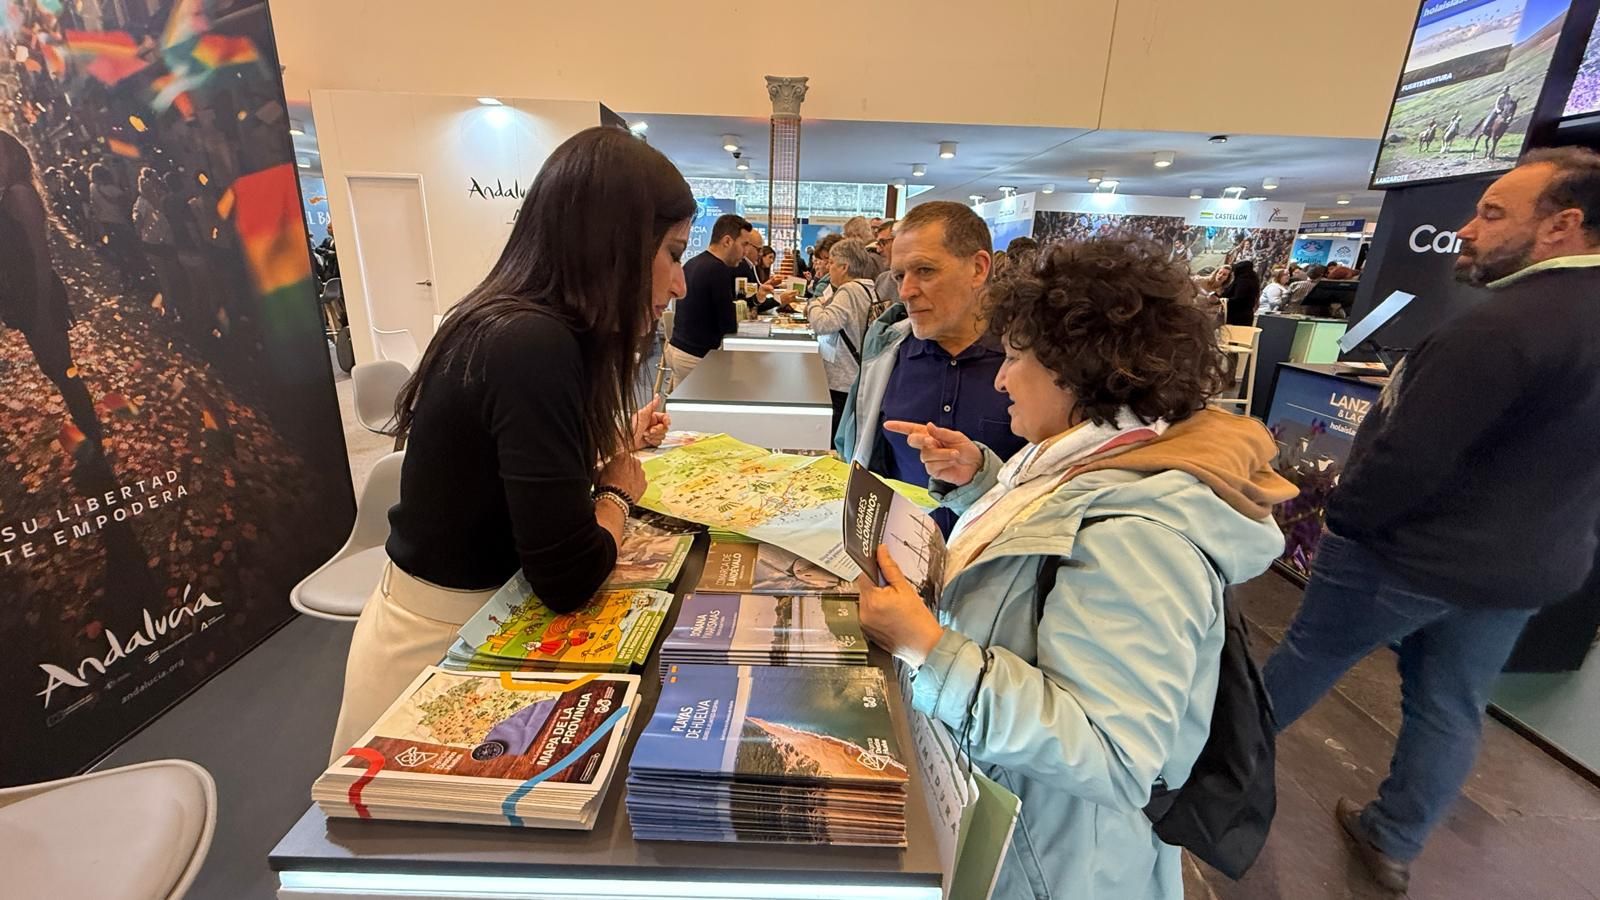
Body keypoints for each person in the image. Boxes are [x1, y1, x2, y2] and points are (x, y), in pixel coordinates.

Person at [856, 236, 1295, 899]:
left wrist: (928, 647)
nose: (1001, 378)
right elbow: (1052, 551)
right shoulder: (1090, 461)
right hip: (1023, 826)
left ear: (1077, 369)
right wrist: (982, 480)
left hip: (1052, 865)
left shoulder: (1141, 537)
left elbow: (1109, 751)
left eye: (1014, 356)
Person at [1262, 147, 1600, 894]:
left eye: (1492, 213)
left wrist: (1338, 519)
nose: (1466, 229)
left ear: (1562, 226)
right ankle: (1395, 837)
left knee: (1302, 664)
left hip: (1403, 556)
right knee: (1451, 705)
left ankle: (1197, 784)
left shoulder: (1494, 328)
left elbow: (1407, 460)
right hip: (1526, 568)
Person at [329, 126, 695, 757]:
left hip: (471, 622)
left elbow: (497, 470)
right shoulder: (533, 344)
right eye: (672, 252)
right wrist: (614, 492)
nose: (679, 284)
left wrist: (594, 447)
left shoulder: (515, 323)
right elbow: (568, 575)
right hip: (445, 647)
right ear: (617, 248)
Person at [835, 200, 1027, 535]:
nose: (906, 291)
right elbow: (856, 450)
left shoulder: (1035, 365)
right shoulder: (885, 351)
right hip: (896, 561)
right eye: (899, 275)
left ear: (978, 269)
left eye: (925, 270)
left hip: (997, 566)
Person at [0, 130, 105, 457]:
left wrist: (41, 304)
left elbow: (40, 255)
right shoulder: (10, 193)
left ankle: (93, 437)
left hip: (37, 293)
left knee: (62, 369)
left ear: (13, 156)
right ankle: (90, 432)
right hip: (26, 292)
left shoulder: (19, 193)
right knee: (56, 368)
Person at [666, 213, 753, 390]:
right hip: (696, 356)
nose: (745, 253)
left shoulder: (693, 262)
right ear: (727, 241)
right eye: (743, 244)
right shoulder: (718, 270)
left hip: (677, 349)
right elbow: (727, 325)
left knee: (683, 412)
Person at [805, 238, 879, 438]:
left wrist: (813, 304)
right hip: (856, 373)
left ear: (844, 267)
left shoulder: (849, 290)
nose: (829, 269)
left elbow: (823, 324)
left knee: (837, 435)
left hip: (843, 377)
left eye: (831, 263)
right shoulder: (868, 288)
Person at [1219, 258, 1261, 326]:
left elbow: (1238, 300)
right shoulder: (1253, 280)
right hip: (1247, 316)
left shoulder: (1242, 282)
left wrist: (1221, 300)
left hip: (1235, 318)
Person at [873, 218, 901, 306]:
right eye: (878, 243)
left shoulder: (917, 281)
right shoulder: (882, 280)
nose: (878, 250)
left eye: (883, 242)